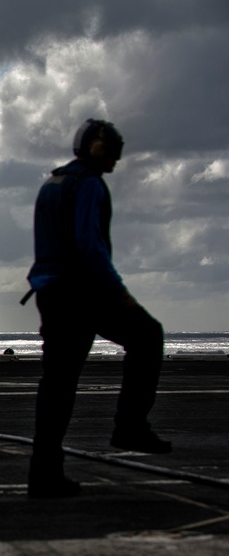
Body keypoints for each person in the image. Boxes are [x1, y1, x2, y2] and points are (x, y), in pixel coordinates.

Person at [25, 118, 169, 499]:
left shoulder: (52, 183)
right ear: (96, 146)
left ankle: (43, 474)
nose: (116, 159)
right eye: (112, 150)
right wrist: (118, 292)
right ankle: (130, 426)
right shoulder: (88, 184)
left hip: (50, 293)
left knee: (58, 384)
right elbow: (89, 245)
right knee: (148, 335)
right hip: (83, 293)